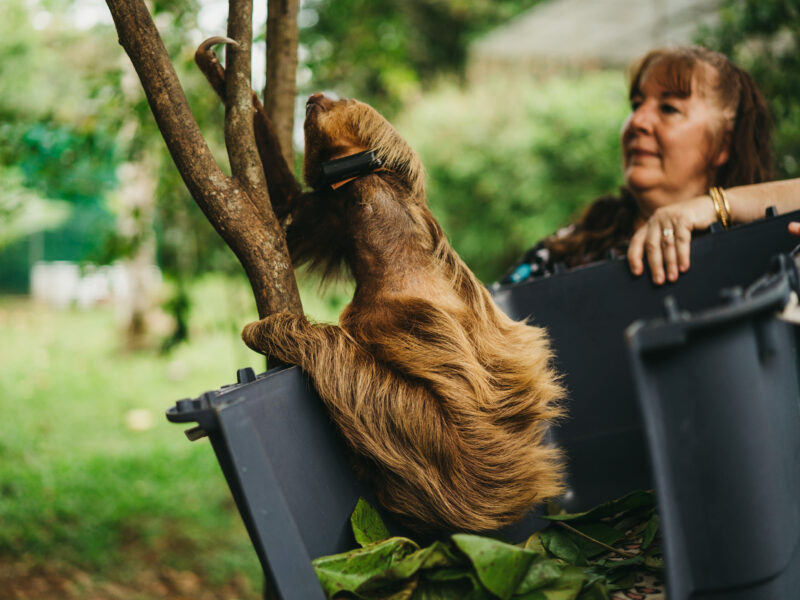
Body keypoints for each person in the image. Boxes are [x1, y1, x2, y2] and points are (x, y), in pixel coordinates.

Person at [502, 45, 800, 286]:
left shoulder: (769, 246)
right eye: (636, 105)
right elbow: (489, 323)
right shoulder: (566, 248)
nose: (638, 122)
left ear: (723, 146)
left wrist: (716, 206)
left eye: (669, 108)